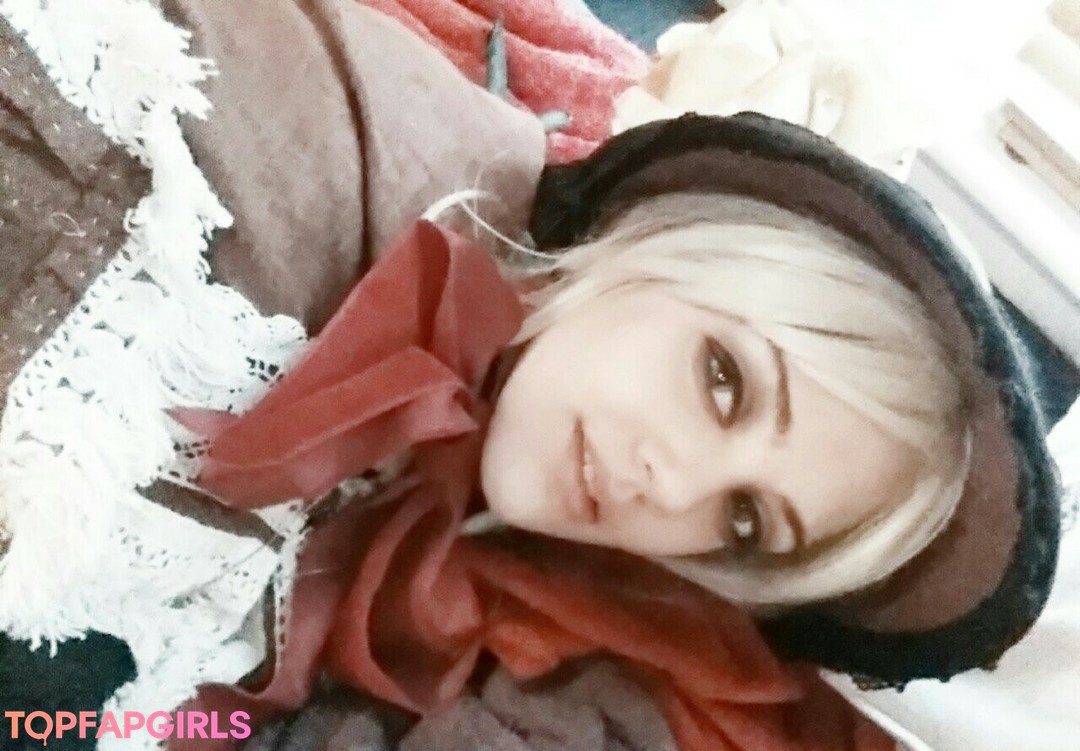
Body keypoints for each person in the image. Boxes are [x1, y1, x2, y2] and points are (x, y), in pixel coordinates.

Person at [0, 1, 1063, 749]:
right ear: (669, 244)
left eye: (744, 520)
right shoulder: (298, 165)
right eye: (724, 380)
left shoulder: (449, 529)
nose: (670, 484)